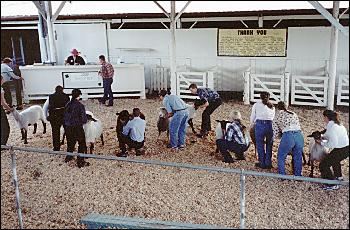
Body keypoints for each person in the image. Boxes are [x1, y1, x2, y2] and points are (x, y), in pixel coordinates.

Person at [318, 110, 349, 191]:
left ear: (326, 117)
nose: (323, 119)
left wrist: (321, 143)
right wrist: (322, 136)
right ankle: (339, 177)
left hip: (342, 149)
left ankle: (332, 184)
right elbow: (329, 136)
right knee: (335, 160)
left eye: (323, 117)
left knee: (323, 165)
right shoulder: (337, 124)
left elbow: (332, 144)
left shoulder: (332, 128)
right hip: (345, 147)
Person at [272, 101, 304, 176]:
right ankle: (298, 175)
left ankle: (282, 175)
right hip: (299, 135)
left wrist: (275, 138)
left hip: (288, 135)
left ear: (278, 108)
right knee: (298, 156)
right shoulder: (293, 114)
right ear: (287, 107)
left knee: (281, 156)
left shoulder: (277, 116)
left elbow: (275, 131)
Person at [63, 88, 89, 168]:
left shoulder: (67, 104)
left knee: (70, 142)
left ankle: (69, 156)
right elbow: (84, 119)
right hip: (77, 127)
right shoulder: (80, 106)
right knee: (81, 143)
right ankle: (80, 161)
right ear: (79, 95)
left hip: (68, 127)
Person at [250, 91, 275, 169]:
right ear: (269, 97)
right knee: (269, 144)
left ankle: (262, 162)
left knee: (260, 144)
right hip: (270, 125)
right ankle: (268, 162)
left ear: (260, 97)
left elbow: (252, 117)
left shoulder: (256, 105)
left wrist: (252, 123)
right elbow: (273, 117)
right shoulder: (272, 106)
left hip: (260, 124)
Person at [47, 85, 70, 151]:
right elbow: (68, 107)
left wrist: (49, 116)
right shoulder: (66, 96)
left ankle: (56, 147)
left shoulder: (51, 96)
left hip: (55, 116)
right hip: (64, 116)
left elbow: (50, 107)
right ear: (62, 90)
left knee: (55, 132)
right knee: (68, 132)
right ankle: (70, 146)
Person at [1, 75, 14, 147]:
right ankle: (2, 145)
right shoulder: (1, 89)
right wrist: (10, 109)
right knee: (5, 127)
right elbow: (2, 103)